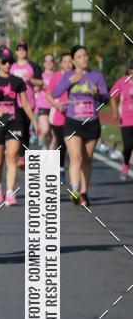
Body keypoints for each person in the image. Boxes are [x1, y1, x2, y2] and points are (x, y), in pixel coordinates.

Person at [52, 45, 108, 206]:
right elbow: (55, 93)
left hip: (91, 122)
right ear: (74, 61)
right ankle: (75, 190)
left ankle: (84, 193)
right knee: (76, 156)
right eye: (79, 56)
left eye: (85, 55)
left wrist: (97, 93)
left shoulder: (97, 76)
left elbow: (105, 98)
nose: (83, 58)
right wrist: (70, 80)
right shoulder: (69, 76)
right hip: (72, 122)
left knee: (87, 160)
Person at [0, 46, 36, 205]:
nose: (7, 65)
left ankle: (10, 192)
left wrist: (35, 122)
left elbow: (25, 103)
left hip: (15, 121)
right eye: (4, 62)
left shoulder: (17, 81)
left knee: (12, 157)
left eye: (10, 61)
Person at [10, 42, 42, 164]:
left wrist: (31, 80)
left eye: (24, 49)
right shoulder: (11, 66)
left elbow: (41, 82)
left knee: (26, 128)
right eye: (19, 49)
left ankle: (23, 153)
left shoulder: (33, 66)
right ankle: (14, 150)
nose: (21, 51)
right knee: (17, 127)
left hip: (28, 101)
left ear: (27, 51)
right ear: (16, 52)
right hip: (13, 102)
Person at [46, 52, 73, 184]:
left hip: (74, 117)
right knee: (61, 143)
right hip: (58, 116)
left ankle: (73, 172)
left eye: (70, 61)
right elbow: (48, 95)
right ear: (61, 64)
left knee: (71, 145)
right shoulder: (56, 76)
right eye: (65, 61)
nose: (68, 64)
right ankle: (60, 169)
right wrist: (57, 105)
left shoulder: (77, 76)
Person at [34, 53, 55, 150]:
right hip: (43, 106)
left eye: (51, 61)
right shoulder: (40, 76)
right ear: (44, 63)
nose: (49, 63)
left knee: (53, 133)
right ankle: (44, 147)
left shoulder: (57, 76)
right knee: (45, 130)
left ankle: (51, 151)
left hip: (55, 107)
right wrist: (37, 87)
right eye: (47, 61)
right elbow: (33, 88)